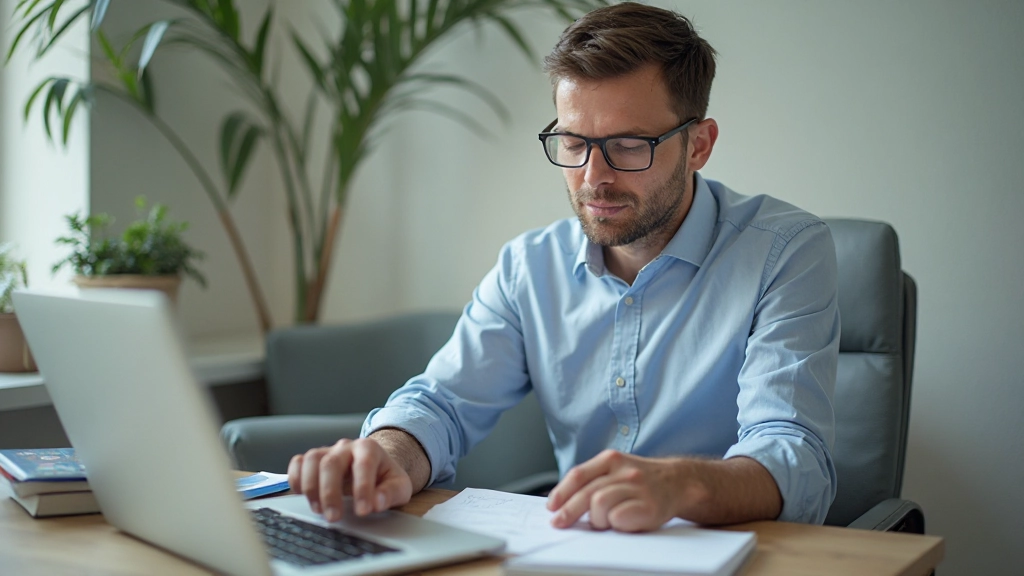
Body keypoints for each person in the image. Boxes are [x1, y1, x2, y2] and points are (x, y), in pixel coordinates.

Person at [288, 2, 840, 532]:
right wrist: (388, 453)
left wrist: (680, 486)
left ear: (698, 145)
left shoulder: (784, 251)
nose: (593, 176)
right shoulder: (530, 267)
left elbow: (793, 452)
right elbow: (442, 404)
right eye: (574, 142)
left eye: (627, 145)